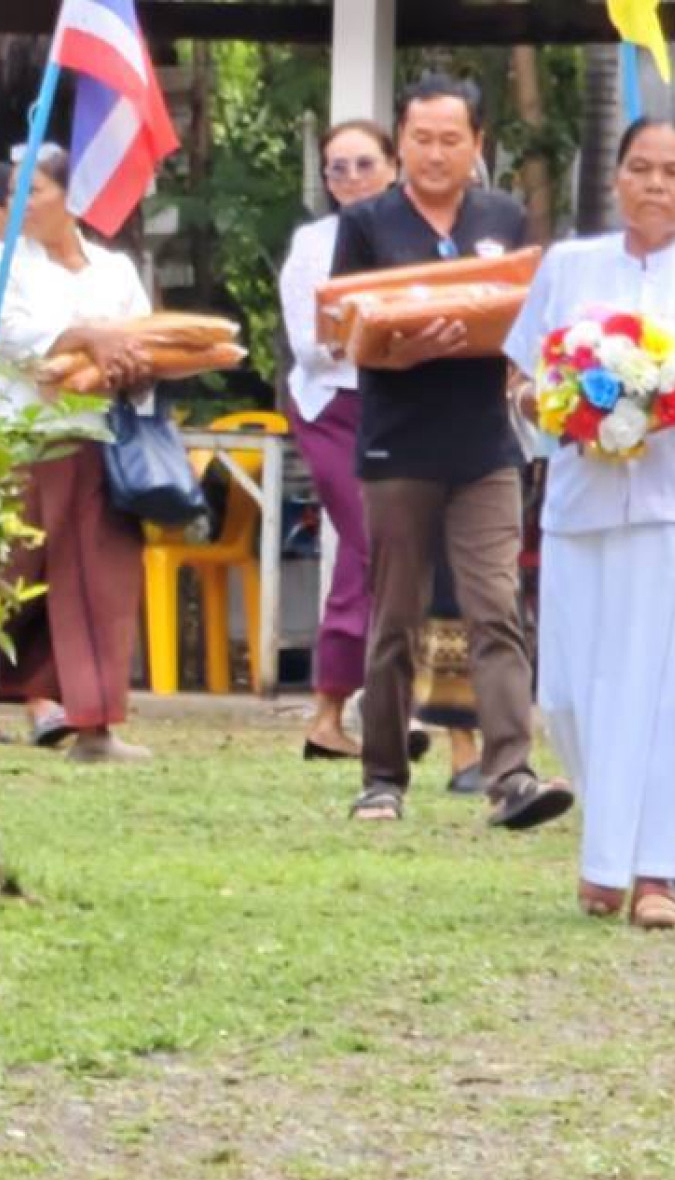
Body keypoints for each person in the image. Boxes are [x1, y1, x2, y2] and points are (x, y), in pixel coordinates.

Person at [500, 116, 675, 931]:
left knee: (674, 689)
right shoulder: (569, 267)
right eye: (640, 168)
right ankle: (605, 849)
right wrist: (559, 400)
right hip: (583, 505)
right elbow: (520, 379)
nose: (655, 185)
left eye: (673, 172)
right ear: (615, 178)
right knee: (570, 691)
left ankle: (656, 869)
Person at [334, 73, 568, 831]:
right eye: (422, 138)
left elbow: (528, 315)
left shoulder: (503, 215)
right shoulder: (367, 223)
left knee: (496, 606)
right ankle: (382, 778)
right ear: (401, 143)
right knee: (396, 614)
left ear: (477, 144)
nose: (436, 154)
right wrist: (401, 349)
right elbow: (342, 332)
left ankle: (512, 775)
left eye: (451, 139)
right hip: (398, 443)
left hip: (485, 444)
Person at [0, 147, 158, 762]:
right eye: (14, 191)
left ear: (72, 197)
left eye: (36, 190)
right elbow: (9, 335)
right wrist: (86, 336)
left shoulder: (115, 271)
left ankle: (95, 727)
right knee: (7, 577)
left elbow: (145, 341)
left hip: (98, 440)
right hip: (22, 440)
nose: (21, 203)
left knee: (99, 585)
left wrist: (127, 365)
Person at [278, 118, 408, 762]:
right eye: (338, 168)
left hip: (405, 404)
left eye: (364, 164)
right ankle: (341, 704)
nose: (352, 179)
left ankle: (344, 710)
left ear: (393, 167)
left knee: (396, 548)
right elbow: (311, 343)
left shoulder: (416, 234)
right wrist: (386, 332)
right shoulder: (314, 243)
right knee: (370, 540)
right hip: (334, 405)